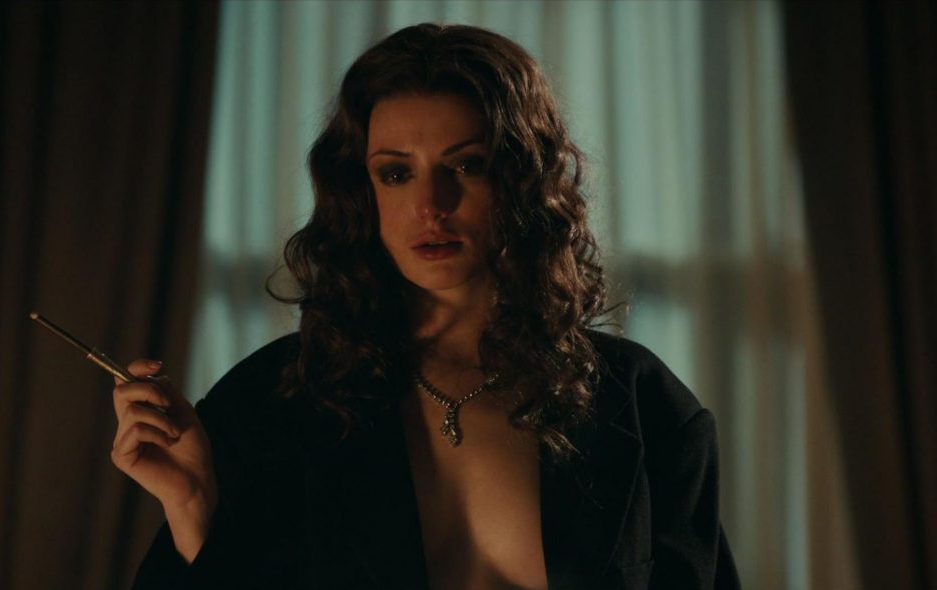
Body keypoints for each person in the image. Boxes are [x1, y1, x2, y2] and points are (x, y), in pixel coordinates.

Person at [111, 23, 740, 590]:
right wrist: (191, 508)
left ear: (522, 180)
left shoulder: (642, 404)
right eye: (396, 173)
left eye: (466, 166)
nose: (430, 205)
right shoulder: (270, 402)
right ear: (361, 190)